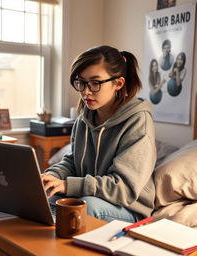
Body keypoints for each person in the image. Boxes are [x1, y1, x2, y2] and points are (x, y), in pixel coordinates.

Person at [41, 45, 156, 223]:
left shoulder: (138, 121)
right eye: (81, 82)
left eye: (95, 83)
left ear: (118, 83)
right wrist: (51, 178)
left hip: (128, 208)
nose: (86, 91)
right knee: (47, 199)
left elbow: (123, 188)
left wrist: (68, 185)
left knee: (84, 207)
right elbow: (73, 161)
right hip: (91, 196)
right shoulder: (83, 119)